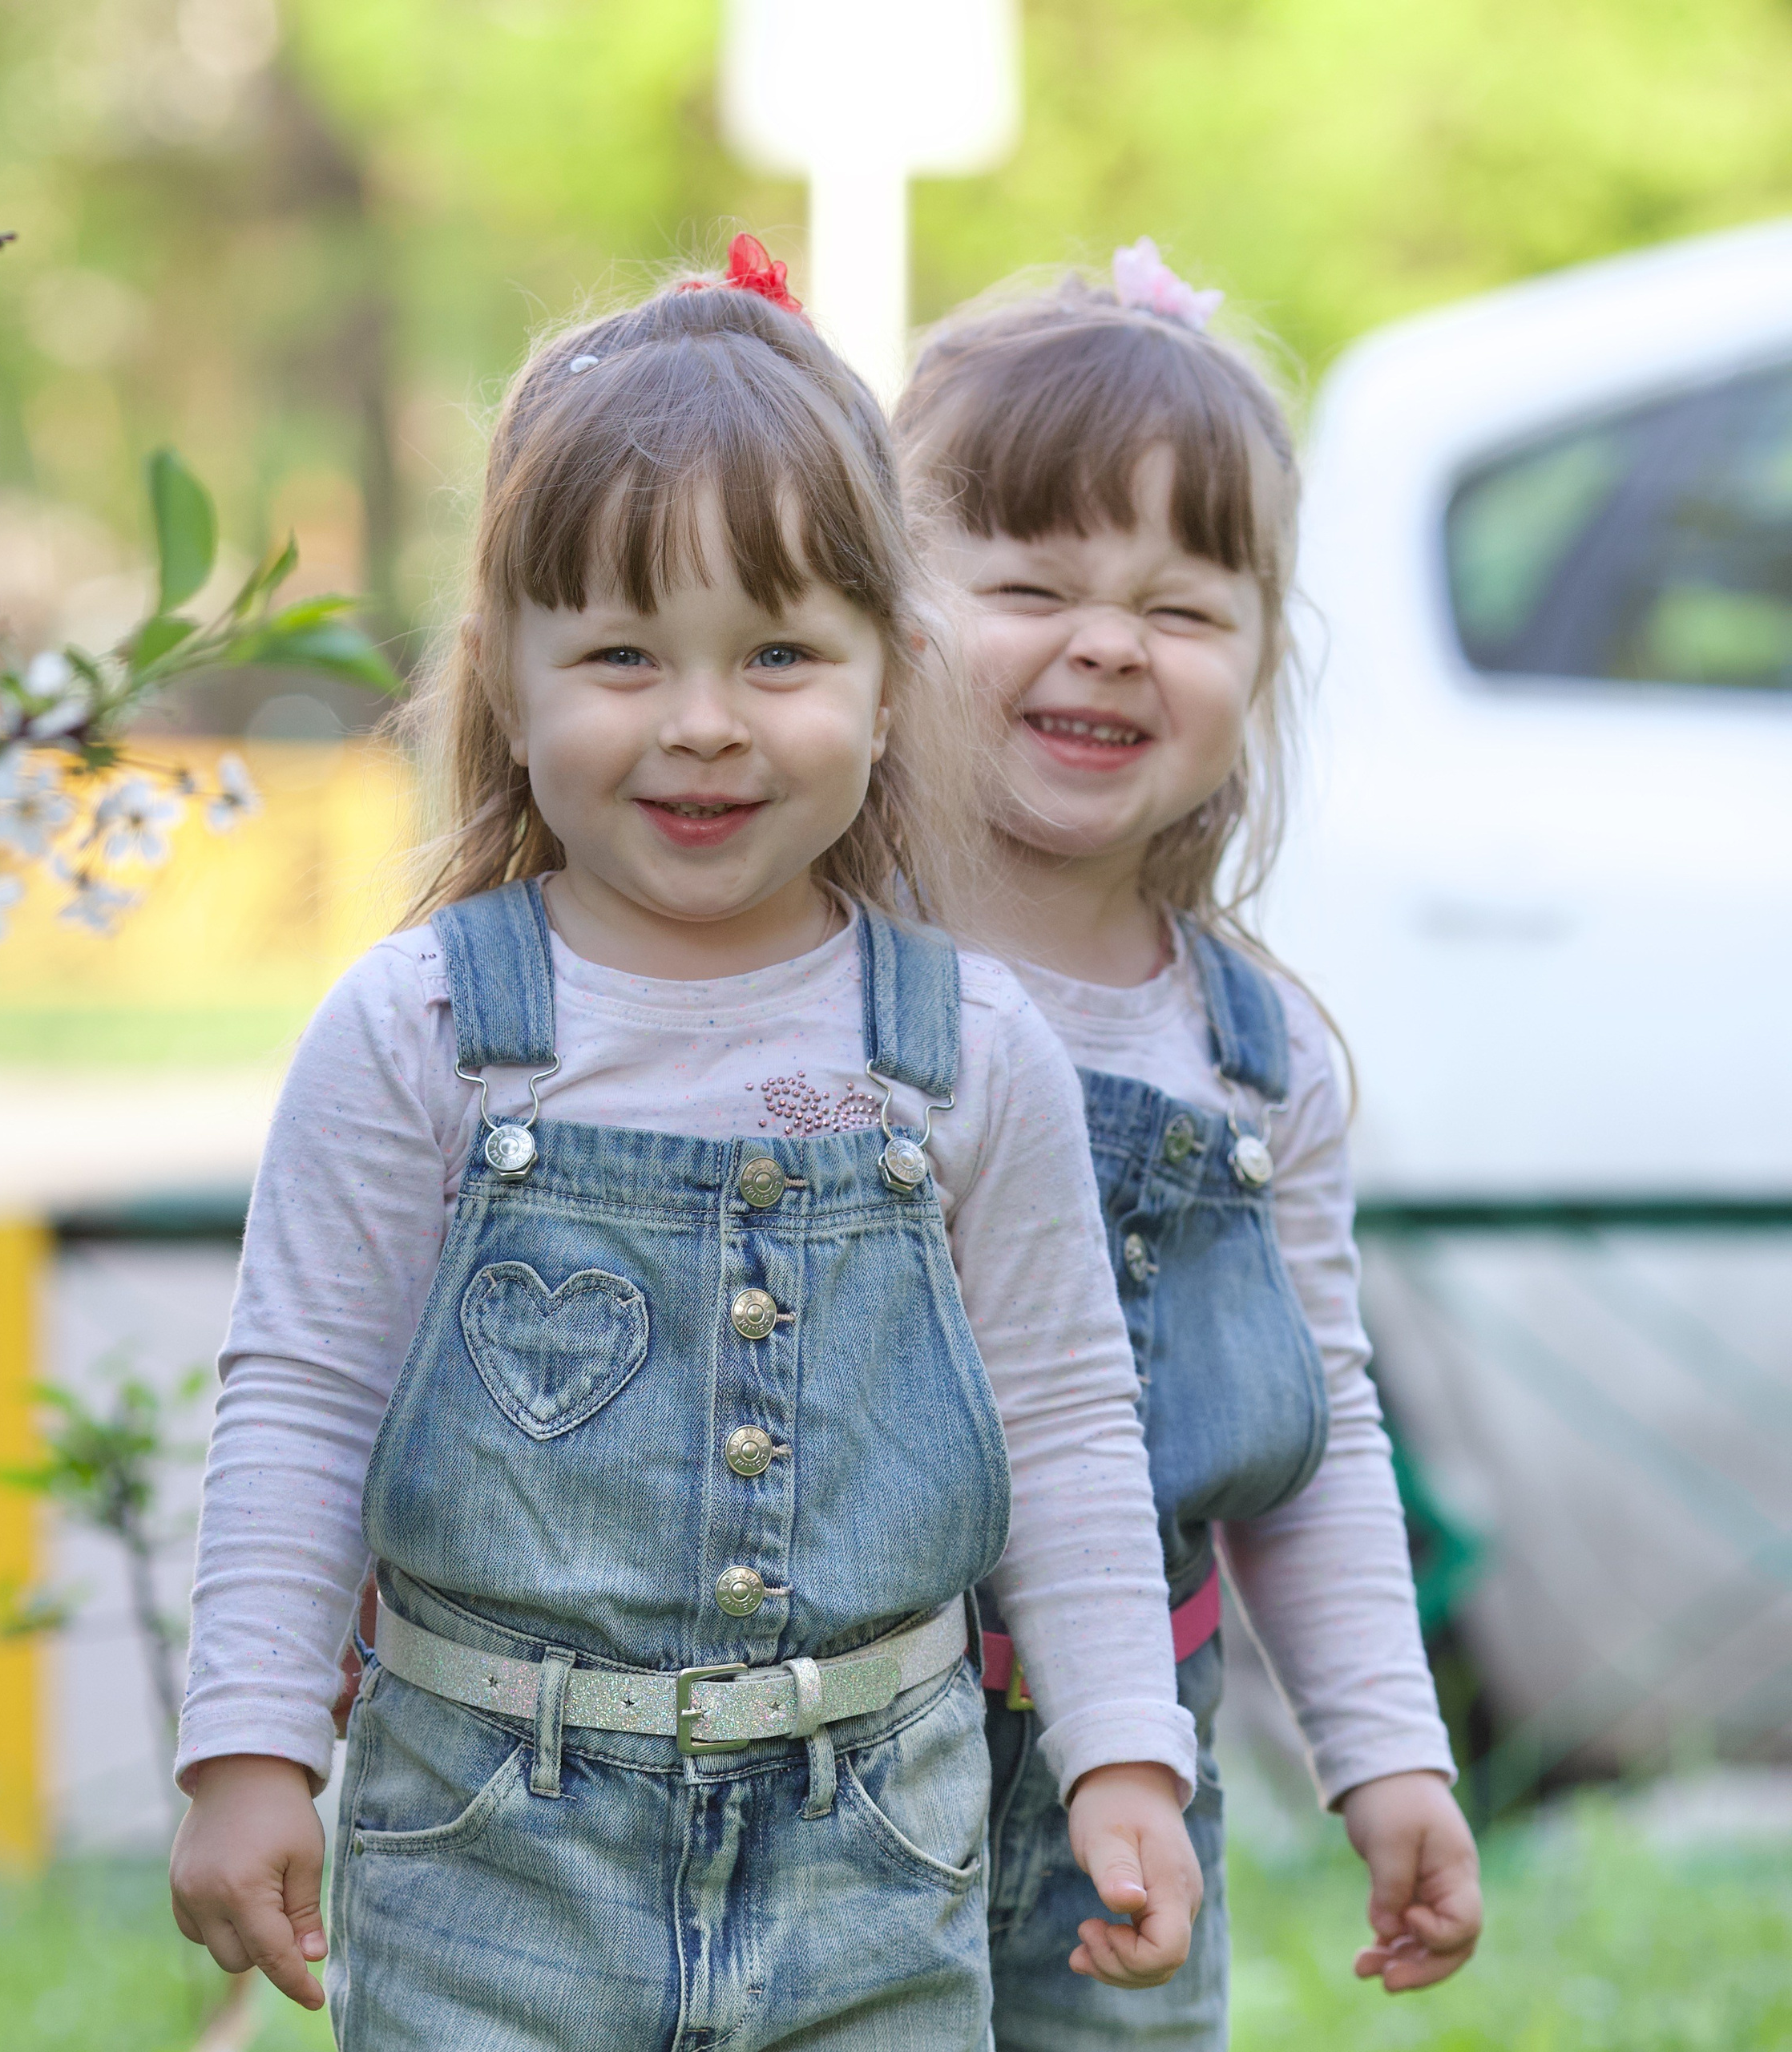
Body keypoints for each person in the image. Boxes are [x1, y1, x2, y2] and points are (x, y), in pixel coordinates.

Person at [167, 236, 1203, 2050]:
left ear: (895, 675)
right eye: (625, 653)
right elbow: (303, 1392)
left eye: (781, 652)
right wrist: (251, 1742)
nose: (705, 721)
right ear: (503, 670)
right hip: (486, 1872)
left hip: (873, 1863)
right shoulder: (416, 1029)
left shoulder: (966, 1049)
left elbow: (1058, 1413)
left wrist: (1124, 1745)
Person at [895, 245, 1486, 2051]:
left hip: (1132, 1803)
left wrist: (1382, 1742)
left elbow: (1309, 1422)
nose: (1105, 641)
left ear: (1256, 652)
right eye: (1027, 582)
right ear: (877, 609)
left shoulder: (1254, 1054)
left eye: (1180, 602)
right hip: (817, 1777)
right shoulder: (811, 979)